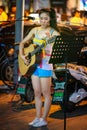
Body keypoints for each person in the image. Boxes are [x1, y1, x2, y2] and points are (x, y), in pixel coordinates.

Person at [19, 8, 60, 127]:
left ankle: (44, 119)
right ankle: (37, 117)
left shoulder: (54, 33)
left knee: (46, 93)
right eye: (41, 18)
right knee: (37, 92)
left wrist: (49, 43)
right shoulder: (35, 30)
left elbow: (57, 50)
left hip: (46, 65)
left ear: (50, 19)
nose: (43, 21)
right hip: (34, 65)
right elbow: (22, 43)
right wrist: (22, 56)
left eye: (45, 18)